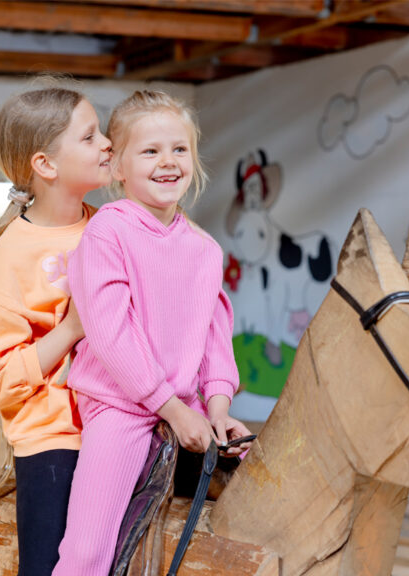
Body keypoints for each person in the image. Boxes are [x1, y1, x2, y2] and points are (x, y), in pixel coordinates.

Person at [53, 90, 252, 574]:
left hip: (186, 405)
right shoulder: (107, 233)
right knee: (86, 550)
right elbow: (111, 334)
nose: (168, 161)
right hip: (121, 408)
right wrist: (172, 409)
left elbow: (214, 336)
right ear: (118, 166)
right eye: (150, 151)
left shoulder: (204, 249)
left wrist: (218, 408)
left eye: (179, 149)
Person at [0, 87, 112, 576]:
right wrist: (72, 328)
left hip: (115, 425)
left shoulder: (108, 227)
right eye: (89, 137)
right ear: (46, 165)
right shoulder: (11, 256)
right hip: (55, 442)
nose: (107, 143)